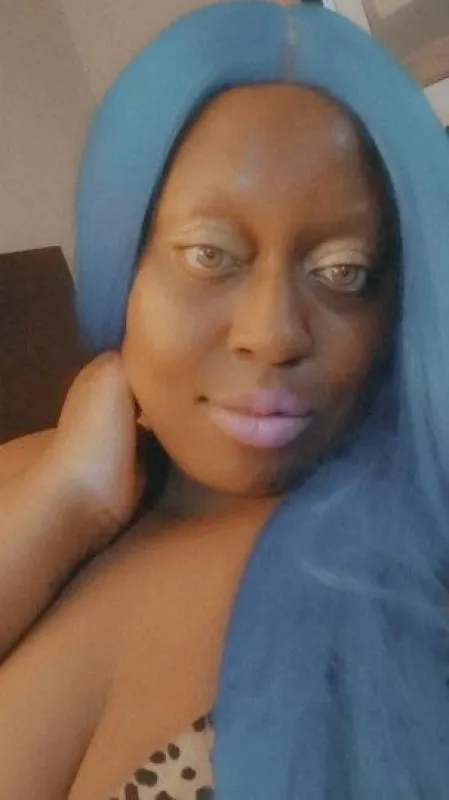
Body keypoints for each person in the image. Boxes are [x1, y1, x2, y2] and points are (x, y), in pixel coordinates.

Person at [0, 1, 449, 797]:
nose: (272, 334)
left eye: (342, 272)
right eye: (210, 255)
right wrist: (66, 504)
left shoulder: (405, 574)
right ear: (123, 257)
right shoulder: (31, 475)